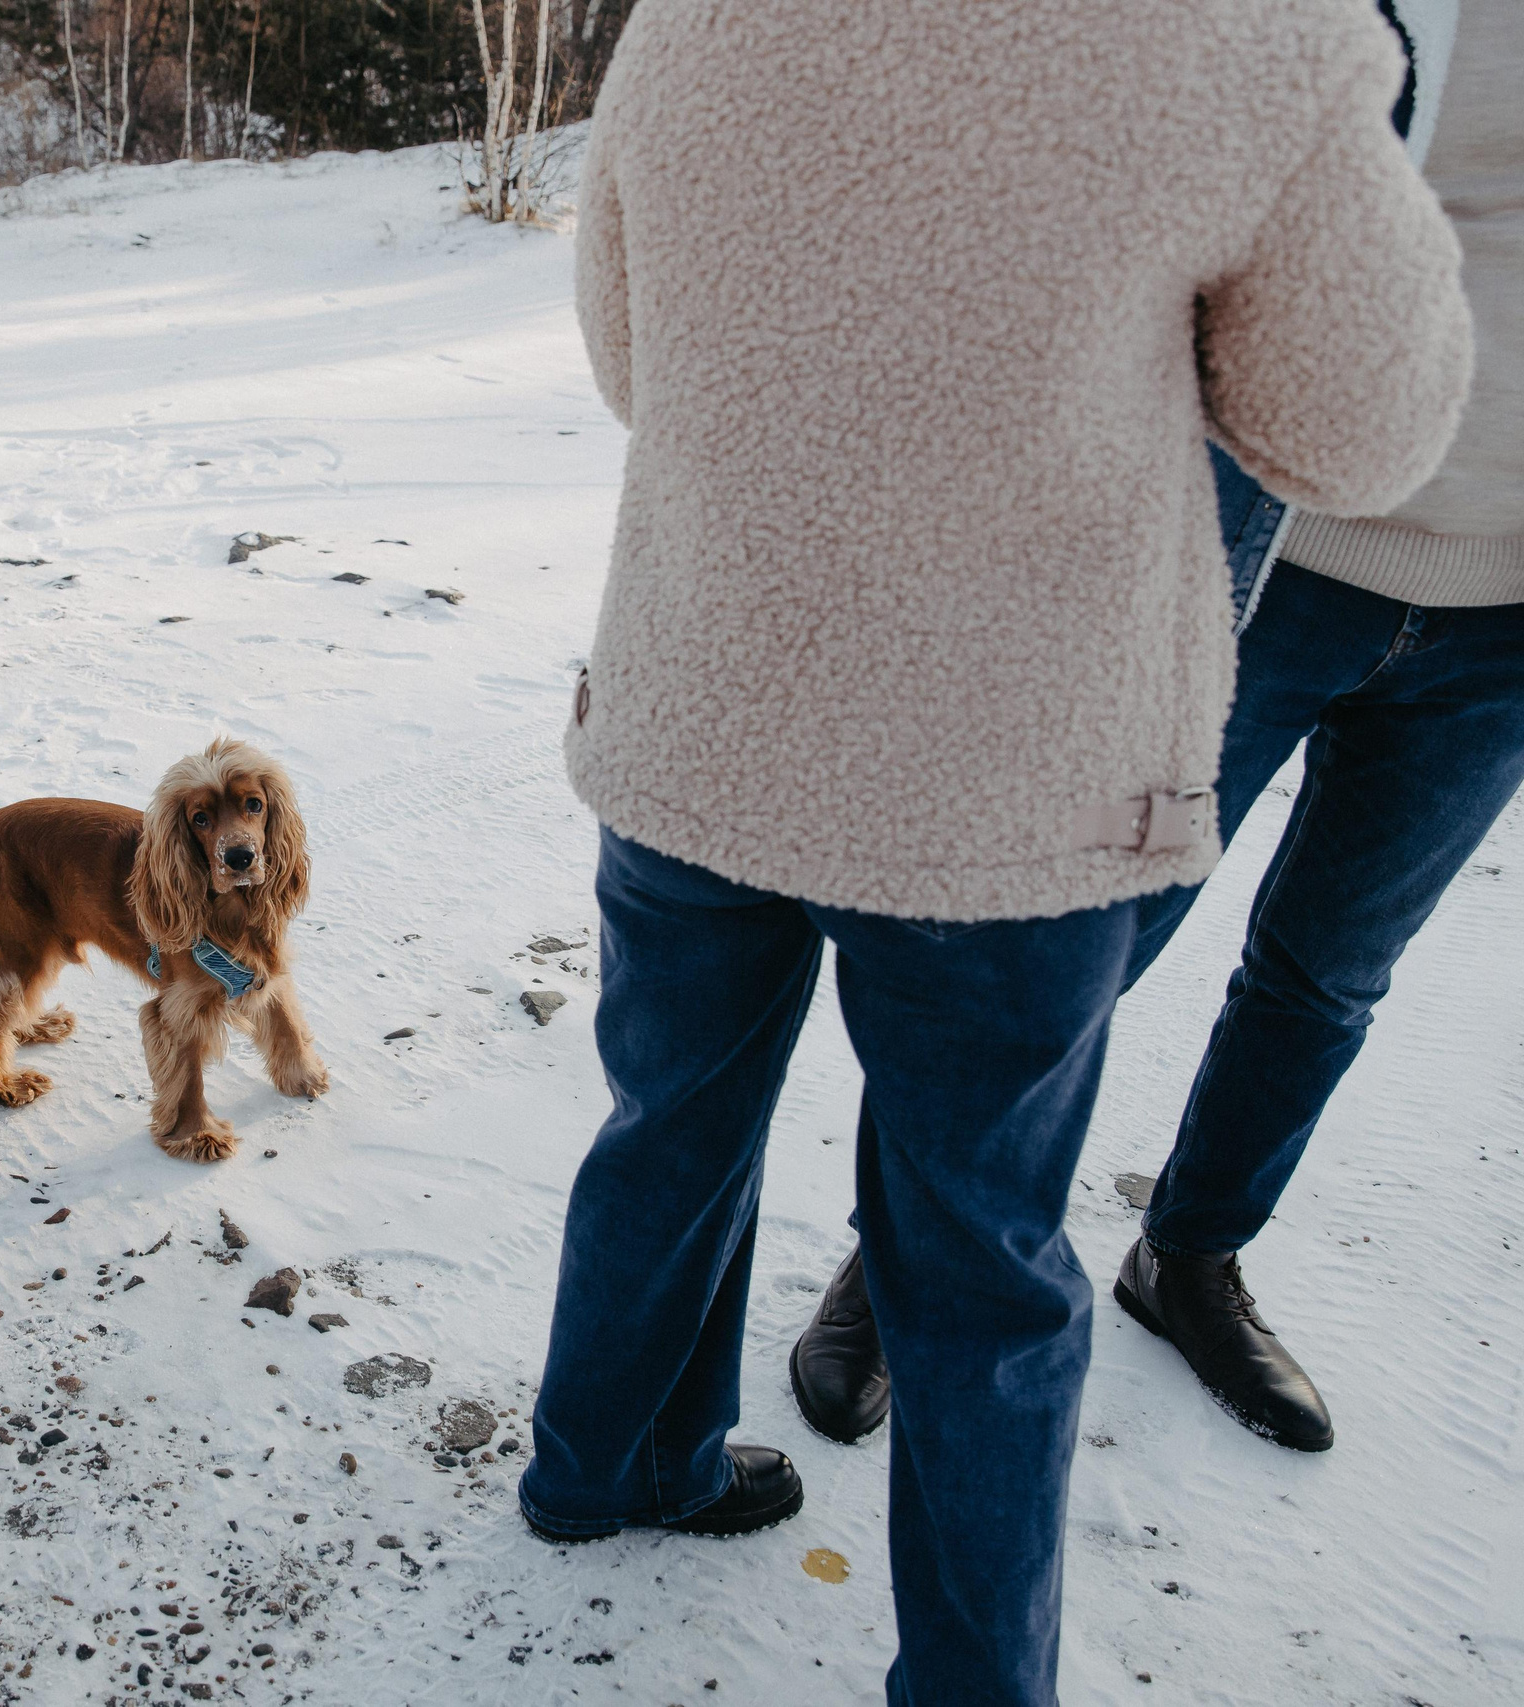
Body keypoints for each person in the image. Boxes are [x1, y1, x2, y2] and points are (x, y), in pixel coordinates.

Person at [522, 2, 1471, 1702]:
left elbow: (627, 354)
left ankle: (603, 1465)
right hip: (1007, 775)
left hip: (703, 699)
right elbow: (1361, 438)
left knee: (664, 1123)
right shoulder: (1271, 38)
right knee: (976, 1258)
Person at [791, 0, 1520, 1461]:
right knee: (1065, 945)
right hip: (1256, 554)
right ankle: (910, 1251)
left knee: (1332, 974)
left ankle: (1189, 1257)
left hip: (1501, 611)